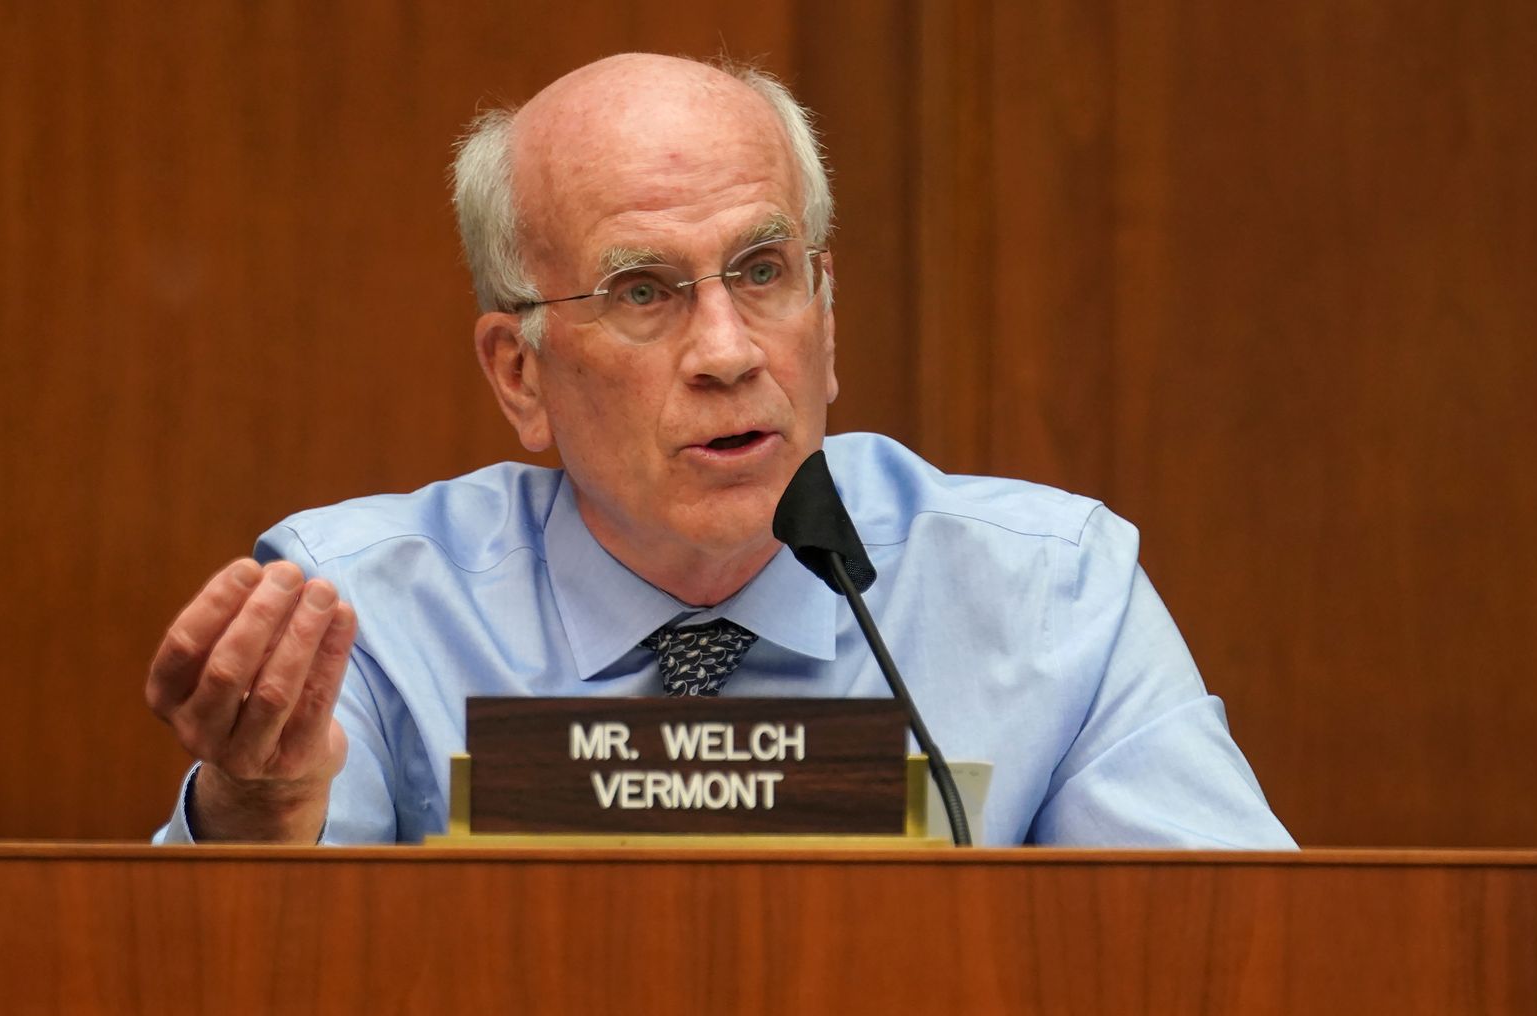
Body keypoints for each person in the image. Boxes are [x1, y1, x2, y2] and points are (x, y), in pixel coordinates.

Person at [146, 53, 1293, 848]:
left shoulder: (1051, 592)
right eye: (642, 291)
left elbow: (1230, 973)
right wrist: (256, 819)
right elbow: (221, 1007)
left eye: (763, 272)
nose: (728, 352)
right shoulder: (372, 615)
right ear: (519, 372)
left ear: (826, 314)